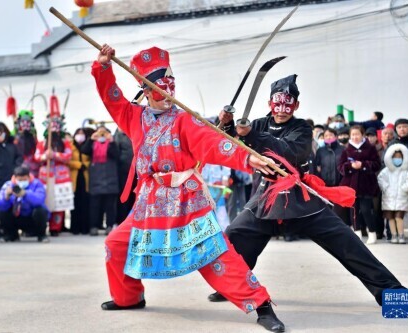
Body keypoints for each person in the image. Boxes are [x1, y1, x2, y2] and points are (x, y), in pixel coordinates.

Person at [92, 45, 285, 332]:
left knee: (214, 255)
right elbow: (113, 97)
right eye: (161, 85)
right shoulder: (133, 117)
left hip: (185, 198)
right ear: (146, 89)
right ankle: (128, 297)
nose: (169, 89)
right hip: (149, 201)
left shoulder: (185, 119)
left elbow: (213, 143)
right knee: (116, 245)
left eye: (172, 83)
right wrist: (103, 67)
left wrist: (248, 156)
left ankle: (261, 305)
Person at [211, 74, 408, 308]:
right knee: (234, 236)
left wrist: (251, 135)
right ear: (269, 104)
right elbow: (229, 144)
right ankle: (231, 287)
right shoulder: (256, 124)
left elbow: (287, 151)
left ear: (296, 105)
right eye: (278, 104)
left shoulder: (302, 128)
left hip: (300, 198)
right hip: (265, 198)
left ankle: (391, 292)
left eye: (288, 104)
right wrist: (225, 123)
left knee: (347, 243)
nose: (282, 109)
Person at [338, 125, 381, 244]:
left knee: (367, 209)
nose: (355, 137)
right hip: (351, 184)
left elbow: (377, 164)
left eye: (357, 134)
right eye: (353, 135)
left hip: (366, 184)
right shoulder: (347, 149)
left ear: (362, 135)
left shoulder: (370, 148)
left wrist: (363, 165)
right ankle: (357, 234)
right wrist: (350, 166)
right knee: (354, 210)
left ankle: (372, 232)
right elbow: (340, 167)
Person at [35, 109, 74, 236]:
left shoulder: (65, 142)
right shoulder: (42, 143)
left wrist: (55, 154)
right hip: (45, 176)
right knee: (45, 201)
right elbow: (36, 156)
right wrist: (45, 156)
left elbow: (68, 156)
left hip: (60, 177)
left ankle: (55, 227)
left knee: (59, 203)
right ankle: (42, 225)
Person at [0, 122, 23, 240]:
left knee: (7, 204)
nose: (0, 135)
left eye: (2, 133)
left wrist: (16, 169)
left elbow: (19, 157)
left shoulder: (12, 145)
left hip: (8, 178)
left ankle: (7, 229)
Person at [0, 165, 49, 243]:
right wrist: (6, 196)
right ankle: (10, 235)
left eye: (24, 180)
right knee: (2, 211)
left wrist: (26, 194)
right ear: (15, 178)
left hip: (31, 218)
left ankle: (42, 235)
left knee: (41, 210)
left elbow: (40, 200)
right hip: (16, 217)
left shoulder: (36, 184)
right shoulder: (8, 185)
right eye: (20, 180)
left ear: (29, 177)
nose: (22, 182)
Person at [81, 126, 119, 236]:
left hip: (110, 178)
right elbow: (84, 151)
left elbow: (116, 155)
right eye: (100, 132)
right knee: (94, 205)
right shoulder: (93, 144)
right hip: (95, 179)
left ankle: (109, 225)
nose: (102, 135)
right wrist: (91, 139)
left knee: (110, 206)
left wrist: (111, 141)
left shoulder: (112, 144)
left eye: (104, 133)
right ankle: (94, 226)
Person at [377, 144, 408, 244]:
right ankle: (394, 235)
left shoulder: (407, 171)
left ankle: (401, 235)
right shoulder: (386, 171)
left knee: (399, 217)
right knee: (390, 218)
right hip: (388, 199)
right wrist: (386, 188)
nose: (397, 159)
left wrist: (404, 189)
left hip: (401, 199)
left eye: (399, 157)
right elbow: (380, 179)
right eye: (394, 157)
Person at [69, 127, 92, 235]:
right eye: (78, 133)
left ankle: (85, 227)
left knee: (85, 203)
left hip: (85, 176)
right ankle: (75, 228)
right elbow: (68, 160)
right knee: (74, 203)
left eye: (82, 133)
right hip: (74, 176)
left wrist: (85, 165)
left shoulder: (87, 145)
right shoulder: (70, 145)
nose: (80, 135)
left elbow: (91, 158)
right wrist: (79, 165)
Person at [114, 127, 136, 225]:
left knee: (134, 196)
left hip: (137, 171)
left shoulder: (135, 133)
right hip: (123, 171)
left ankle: (132, 219)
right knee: (123, 197)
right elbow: (115, 151)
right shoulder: (118, 135)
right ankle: (121, 220)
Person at [13, 110, 40, 178]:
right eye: (23, 122)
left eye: (28, 122)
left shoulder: (33, 136)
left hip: (33, 166)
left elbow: (36, 148)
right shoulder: (15, 136)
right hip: (19, 166)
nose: (25, 124)